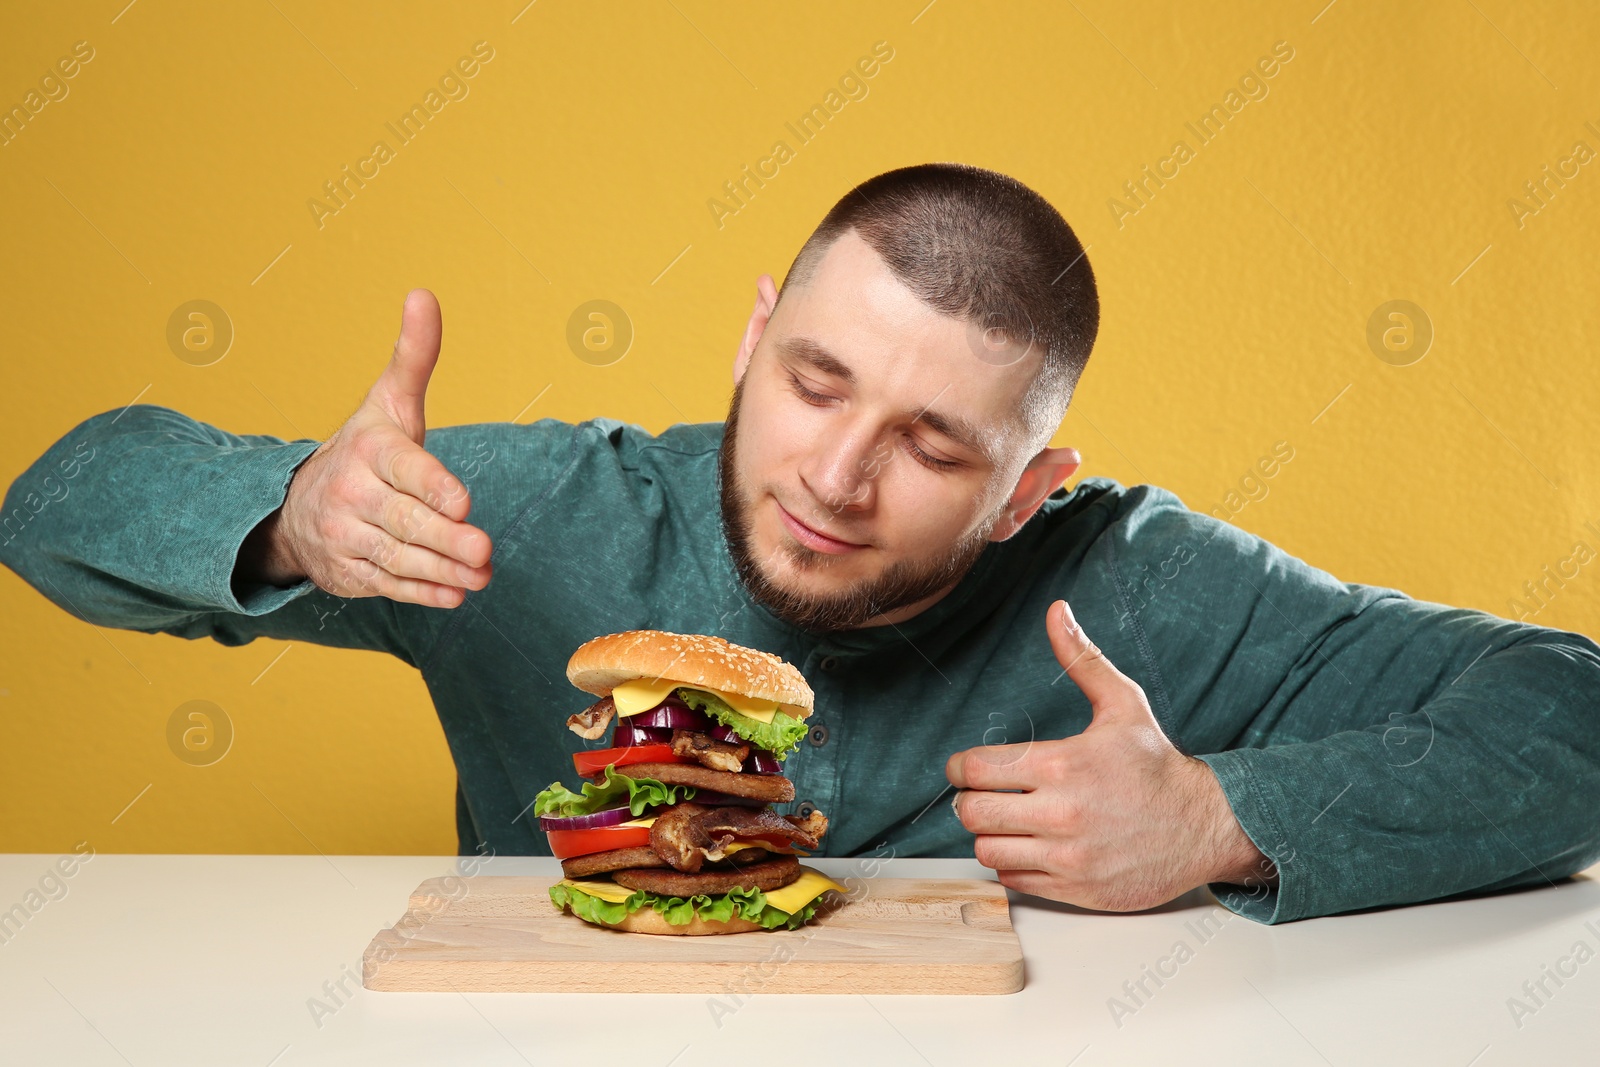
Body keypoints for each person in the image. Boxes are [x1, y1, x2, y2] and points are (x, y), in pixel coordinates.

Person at [4, 163, 1597, 925]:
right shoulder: (537, 514)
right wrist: (290, 516)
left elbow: (1573, 714)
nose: (834, 476)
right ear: (756, 333)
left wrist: (1225, 817)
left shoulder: (1140, 581)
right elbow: (53, 501)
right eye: (816, 382)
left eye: (932, 445)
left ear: (1031, 486)